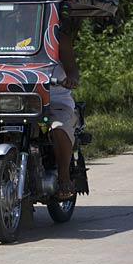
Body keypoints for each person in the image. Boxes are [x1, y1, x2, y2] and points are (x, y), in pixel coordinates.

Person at [50, 26, 80, 200]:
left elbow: (73, 71)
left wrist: (72, 80)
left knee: (58, 126)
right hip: (18, 101)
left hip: (56, 101)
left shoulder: (59, 39)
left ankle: (64, 176)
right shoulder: (6, 36)